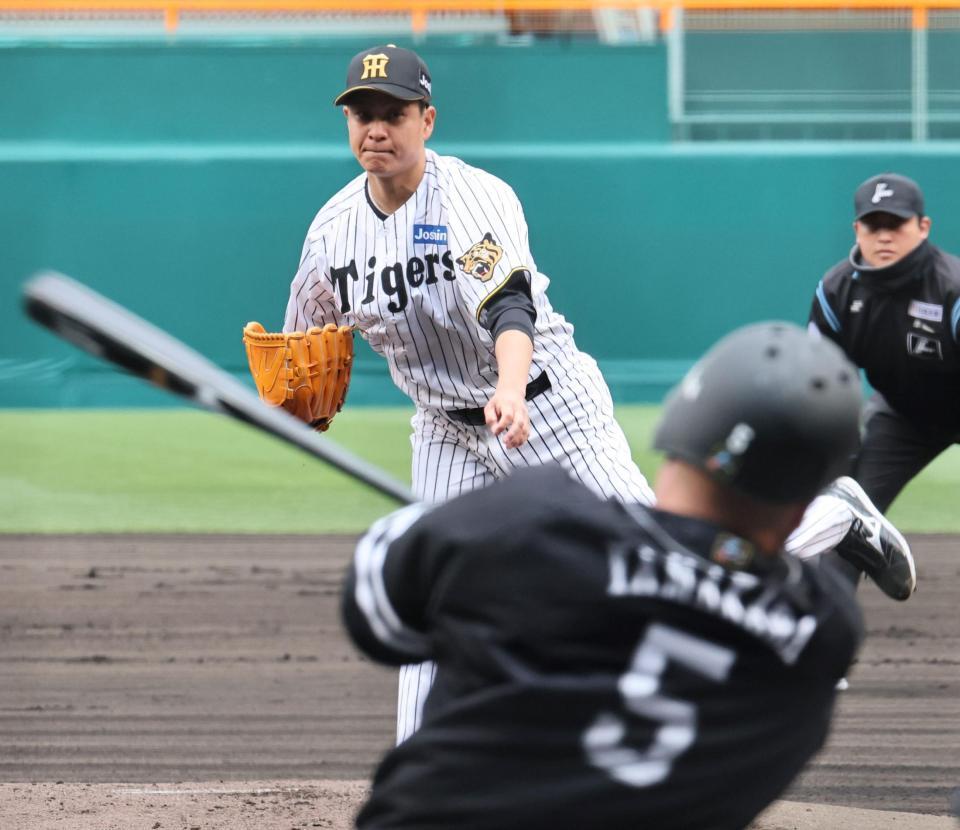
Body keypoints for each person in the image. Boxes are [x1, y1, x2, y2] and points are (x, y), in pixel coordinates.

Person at [276, 46, 913, 741]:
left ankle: (831, 519)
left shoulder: (469, 198)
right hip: (443, 428)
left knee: (670, 567)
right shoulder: (331, 232)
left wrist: (512, 390)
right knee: (439, 588)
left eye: (392, 114)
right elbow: (302, 344)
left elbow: (508, 308)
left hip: (547, 405)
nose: (376, 129)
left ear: (427, 120)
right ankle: (415, 758)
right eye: (362, 115)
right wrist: (292, 407)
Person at [341, 322, 866, 830]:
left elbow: (375, 617)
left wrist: (447, 537)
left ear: (679, 426)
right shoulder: (820, 637)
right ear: (803, 508)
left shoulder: (529, 524)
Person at [810, 172, 960, 515]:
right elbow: (822, 384)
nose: (884, 236)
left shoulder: (953, 288)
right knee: (842, 520)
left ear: (923, 227)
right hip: (904, 416)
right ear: (856, 231)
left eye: (895, 225)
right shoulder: (837, 291)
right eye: (873, 226)